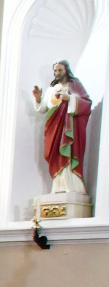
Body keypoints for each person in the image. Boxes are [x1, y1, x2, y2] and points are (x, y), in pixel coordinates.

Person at [32, 60, 92, 194]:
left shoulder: (74, 85)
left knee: (67, 152)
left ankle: (71, 186)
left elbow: (87, 103)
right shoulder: (51, 89)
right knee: (56, 155)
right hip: (54, 127)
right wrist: (38, 99)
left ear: (66, 70)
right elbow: (44, 108)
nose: (57, 73)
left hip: (69, 127)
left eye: (60, 70)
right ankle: (58, 186)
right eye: (55, 71)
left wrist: (70, 98)